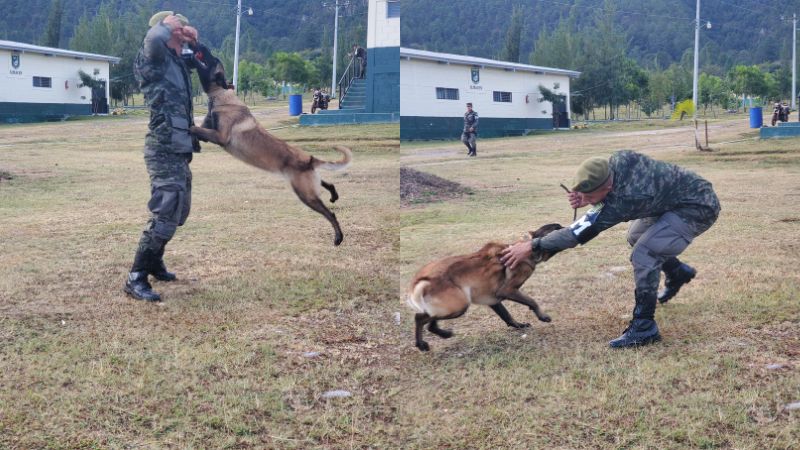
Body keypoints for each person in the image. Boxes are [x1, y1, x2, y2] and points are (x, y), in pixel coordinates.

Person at [500, 151, 721, 348]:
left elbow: (576, 234)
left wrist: (532, 245)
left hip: (697, 206)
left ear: (607, 187)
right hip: (673, 198)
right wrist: (588, 196)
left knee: (645, 253)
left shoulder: (625, 199)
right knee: (635, 235)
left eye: (590, 196)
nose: (585, 201)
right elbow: (607, 196)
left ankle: (645, 327)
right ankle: (677, 272)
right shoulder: (617, 162)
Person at [125, 11, 201, 302]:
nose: (183, 35)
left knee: (179, 211)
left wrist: (194, 39)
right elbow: (154, 39)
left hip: (179, 149)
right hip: (163, 147)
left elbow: (204, 60)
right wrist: (166, 25)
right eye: (179, 31)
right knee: (166, 213)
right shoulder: (153, 57)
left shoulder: (177, 61)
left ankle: (155, 261)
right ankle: (136, 277)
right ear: (168, 33)